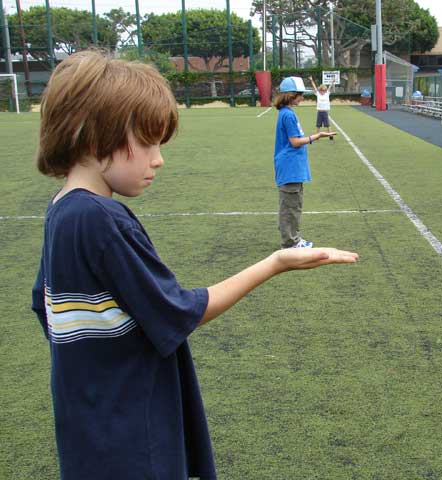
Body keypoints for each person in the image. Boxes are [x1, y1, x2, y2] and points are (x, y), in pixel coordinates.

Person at [31, 51, 358, 480]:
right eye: (146, 142)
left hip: (89, 430)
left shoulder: (61, 209)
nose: (158, 159)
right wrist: (275, 263)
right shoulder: (100, 219)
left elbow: (44, 305)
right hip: (130, 438)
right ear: (93, 136)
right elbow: (179, 311)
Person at [274, 76, 337, 249]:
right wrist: (316, 136)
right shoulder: (288, 114)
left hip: (293, 167)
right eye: (300, 94)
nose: (302, 97)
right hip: (290, 167)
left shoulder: (287, 113)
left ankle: (293, 238)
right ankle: (290, 242)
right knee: (290, 207)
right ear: (290, 94)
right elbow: (295, 142)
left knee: (293, 205)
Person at [308, 75, 335, 141]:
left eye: (324, 90)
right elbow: (314, 87)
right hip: (319, 112)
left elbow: (330, 87)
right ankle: (317, 136)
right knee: (318, 125)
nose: (323, 91)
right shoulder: (318, 94)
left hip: (325, 112)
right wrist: (311, 80)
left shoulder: (327, 93)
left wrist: (332, 82)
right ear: (320, 90)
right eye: (321, 90)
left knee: (327, 125)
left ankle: (330, 135)